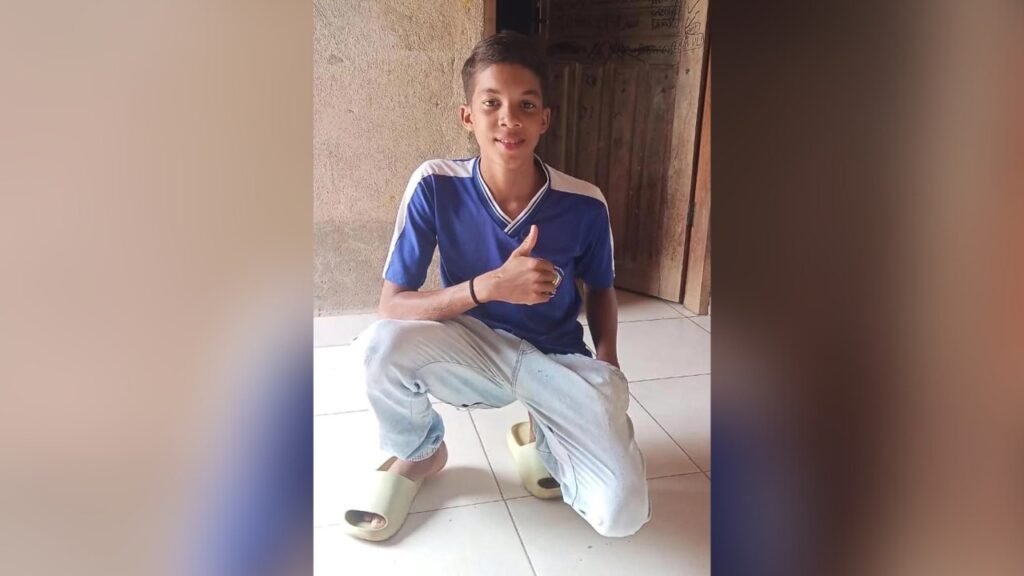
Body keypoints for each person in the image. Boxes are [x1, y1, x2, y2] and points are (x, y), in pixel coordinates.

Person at [343, 31, 650, 541]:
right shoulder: (435, 184)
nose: (510, 119)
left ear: (545, 119)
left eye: (526, 105)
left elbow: (601, 288)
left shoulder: (585, 203)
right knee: (381, 346)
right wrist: (486, 287)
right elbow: (391, 305)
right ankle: (421, 453)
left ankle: (544, 430)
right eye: (492, 103)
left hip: (555, 361)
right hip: (473, 350)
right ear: (468, 116)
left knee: (622, 513)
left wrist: (607, 361)